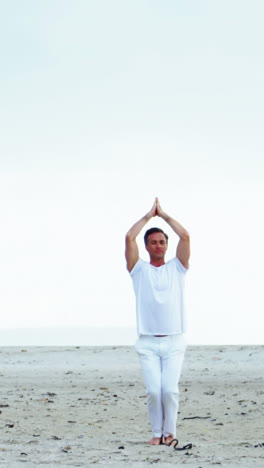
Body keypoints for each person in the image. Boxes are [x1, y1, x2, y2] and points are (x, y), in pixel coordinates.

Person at [125, 197, 190, 446]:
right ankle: (156, 433)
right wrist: (147, 217)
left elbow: (185, 237)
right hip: (148, 343)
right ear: (147, 246)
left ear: (166, 245)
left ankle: (170, 433)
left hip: (174, 340)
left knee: (170, 391)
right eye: (153, 242)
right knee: (154, 391)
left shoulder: (177, 268)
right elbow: (129, 238)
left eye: (162, 242)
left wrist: (163, 216)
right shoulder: (138, 270)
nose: (158, 246)